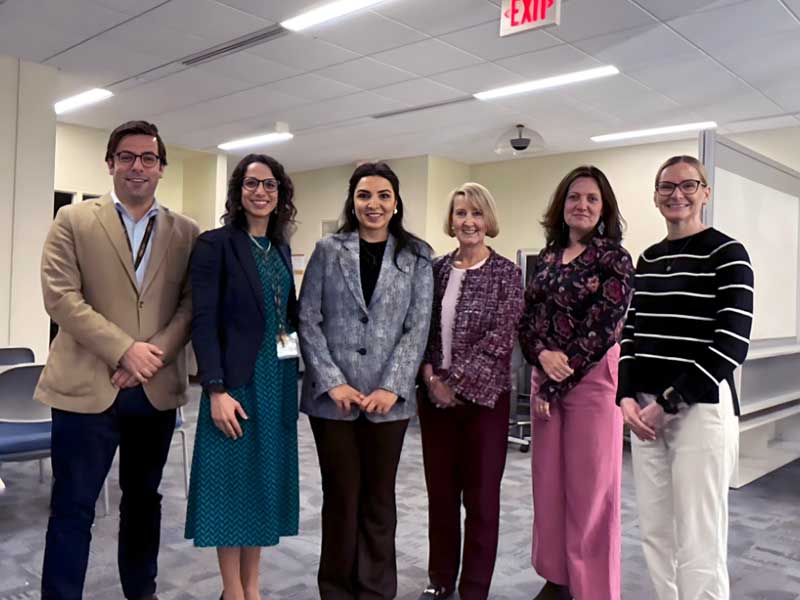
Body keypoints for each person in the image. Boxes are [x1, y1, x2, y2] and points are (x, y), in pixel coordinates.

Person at [35, 120, 199, 600]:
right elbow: (60, 296)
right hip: (87, 388)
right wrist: (124, 349)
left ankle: (140, 592)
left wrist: (151, 356)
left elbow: (190, 304)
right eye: (126, 157)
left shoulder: (185, 232)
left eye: (148, 158)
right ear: (110, 164)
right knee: (72, 508)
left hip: (154, 391)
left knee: (144, 504)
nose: (137, 167)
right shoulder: (74, 220)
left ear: (162, 168)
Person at [617, 155, 753, 600]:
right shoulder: (649, 259)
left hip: (699, 412)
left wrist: (667, 403)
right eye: (667, 186)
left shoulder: (729, 254)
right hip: (645, 413)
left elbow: (730, 346)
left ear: (705, 193)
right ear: (656, 197)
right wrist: (626, 399)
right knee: (657, 534)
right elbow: (631, 336)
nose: (677, 194)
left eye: (688, 185)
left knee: (699, 537)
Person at [298, 161, 433, 600]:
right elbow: (308, 319)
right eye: (363, 195)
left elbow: (418, 326)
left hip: (387, 402)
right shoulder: (327, 249)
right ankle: (335, 589)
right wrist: (332, 381)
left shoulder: (416, 256)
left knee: (379, 498)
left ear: (396, 204)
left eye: (382, 196)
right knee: (340, 497)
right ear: (352, 202)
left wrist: (392, 386)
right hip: (332, 402)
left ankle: (376, 589)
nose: (373, 204)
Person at [185, 154, 300, 600]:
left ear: (280, 194)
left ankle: (253, 587)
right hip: (235, 383)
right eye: (251, 184)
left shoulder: (280, 248)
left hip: (277, 381)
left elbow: (283, 316)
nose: (260, 192)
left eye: (269, 185)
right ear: (238, 192)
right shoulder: (216, 244)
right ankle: (232, 591)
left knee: (261, 486)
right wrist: (215, 390)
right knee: (231, 489)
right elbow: (204, 320)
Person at [518, 165, 634, 600]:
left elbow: (603, 327)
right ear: (561, 205)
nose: (581, 205)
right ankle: (557, 577)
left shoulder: (614, 259)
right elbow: (527, 319)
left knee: (592, 494)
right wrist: (541, 357)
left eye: (591, 198)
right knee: (548, 488)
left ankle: (594, 590)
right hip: (546, 378)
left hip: (590, 383)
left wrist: (554, 383)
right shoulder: (547, 258)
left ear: (604, 208)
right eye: (573, 197)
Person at [417, 183, 524, 600]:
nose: (468, 221)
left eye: (477, 213)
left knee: (480, 502)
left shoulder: (506, 274)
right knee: (441, 497)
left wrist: (453, 384)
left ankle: (474, 588)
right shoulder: (437, 269)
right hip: (434, 400)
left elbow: (501, 339)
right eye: (461, 213)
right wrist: (431, 379)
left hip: (484, 404)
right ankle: (440, 580)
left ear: (488, 220)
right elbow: (423, 329)